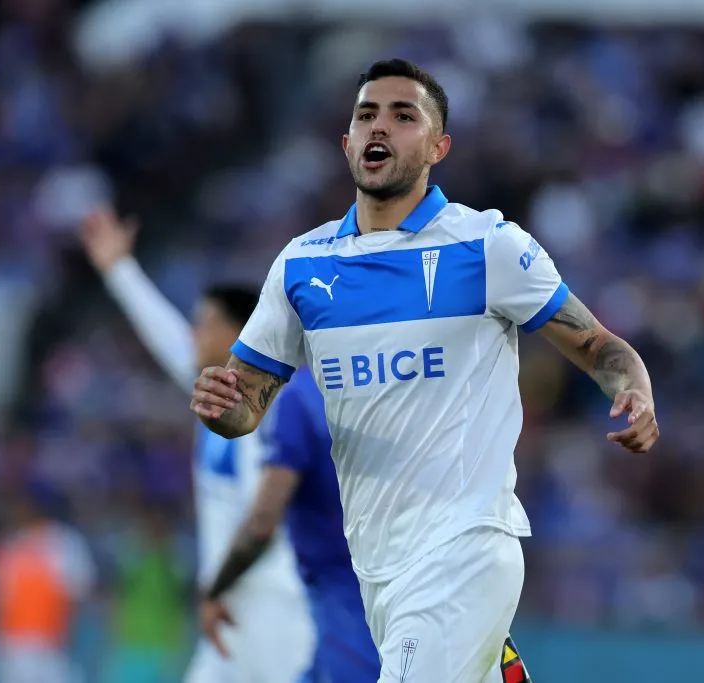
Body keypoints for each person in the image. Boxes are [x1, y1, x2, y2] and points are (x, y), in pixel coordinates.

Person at [191, 58, 660, 683]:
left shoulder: (487, 246)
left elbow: (600, 346)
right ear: (346, 142)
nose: (379, 126)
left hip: (465, 548)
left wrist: (636, 392)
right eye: (366, 115)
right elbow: (246, 403)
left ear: (438, 146)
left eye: (403, 115)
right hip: (378, 566)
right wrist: (223, 404)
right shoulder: (300, 266)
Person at [81, 209, 315, 683]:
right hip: (232, 601)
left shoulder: (278, 409)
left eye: (205, 323)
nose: (194, 335)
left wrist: (217, 586)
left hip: (277, 602)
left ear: (239, 333)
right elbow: (167, 339)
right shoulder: (215, 399)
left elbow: (263, 518)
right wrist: (119, 271)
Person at [199, 366, 382, 683]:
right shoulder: (380, 385)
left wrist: (215, 589)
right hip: (400, 583)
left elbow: (262, 522)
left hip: (344, 600)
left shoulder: (300, 398)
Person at [0, 480, 95, 683]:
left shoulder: (66, 544)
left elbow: (77, 595)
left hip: (51, 645)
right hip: (13, 645)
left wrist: (63, 635)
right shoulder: (8, 545)